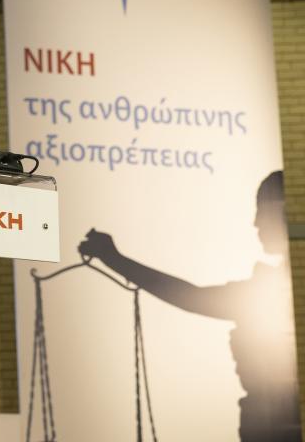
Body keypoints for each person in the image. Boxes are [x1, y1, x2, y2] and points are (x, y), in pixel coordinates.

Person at [79, 171, 300, 442]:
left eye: (261, 211)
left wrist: (113, 258)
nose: (255, 223)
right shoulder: (272, 287)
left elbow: (190, 298)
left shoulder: (275, 290)